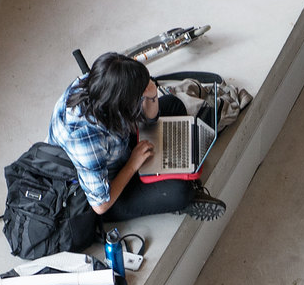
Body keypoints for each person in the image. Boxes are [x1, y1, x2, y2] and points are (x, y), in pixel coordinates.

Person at [49, 53, 227, 223]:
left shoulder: (100, 82)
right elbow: (100, 205)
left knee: (173, 104)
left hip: (117, 145)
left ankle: (172, 169)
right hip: (107, 190)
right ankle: (178, 186)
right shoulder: (84, 139)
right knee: (180, 193)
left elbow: (151, 117)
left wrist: (151, 93)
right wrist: (133, 163)